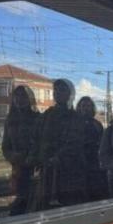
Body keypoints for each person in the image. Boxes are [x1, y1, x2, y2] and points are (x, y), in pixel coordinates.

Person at [27, 79, 87, 209]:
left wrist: (58, 158)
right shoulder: (45, 116)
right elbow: (35, 139)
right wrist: (35, 158)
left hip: (70, 174)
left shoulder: (76, 118)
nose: (58, 93)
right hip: (47, 172)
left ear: (70, 94)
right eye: (56, 90)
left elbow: (74, 142)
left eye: (62, 90)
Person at [1, 85, 40, 216]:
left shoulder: (38, 118)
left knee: (31, 199)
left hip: (36, 167)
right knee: (22, 196)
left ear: (30, 99)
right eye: (16, 96)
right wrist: (13, 156)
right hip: (18, 167)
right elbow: (5, 146)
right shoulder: (10, 120)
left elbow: (43, 142)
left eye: (23, 96)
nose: (19, 99)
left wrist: (32, 156)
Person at [77, 96, 108, 201]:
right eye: (84, 106)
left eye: (89, 106)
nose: (86, 108)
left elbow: (103, 144)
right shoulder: (74, 124)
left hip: (95, 164)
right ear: (79, 108)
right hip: (78, 164)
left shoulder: (97, 124)